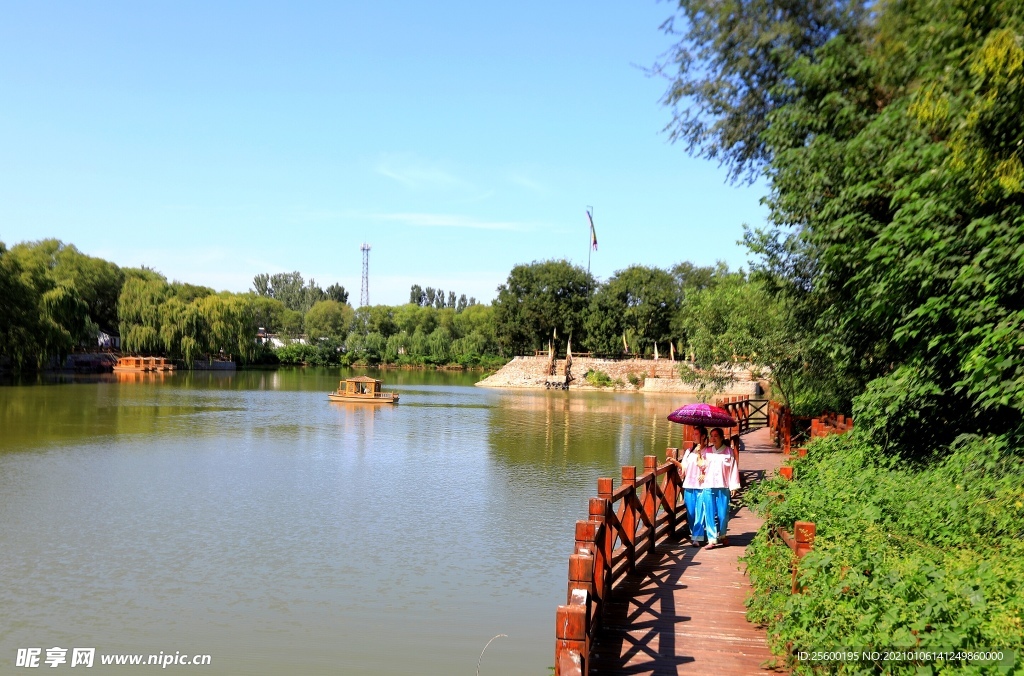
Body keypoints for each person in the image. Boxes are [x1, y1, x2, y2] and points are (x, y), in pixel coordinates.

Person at [698, 427, 741, 548]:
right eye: (711, 436)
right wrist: (701, 470)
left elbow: (733, 469)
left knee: (723, 514)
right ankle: (712, 539)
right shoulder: (706, 451)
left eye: (716, 436)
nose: (713, 438)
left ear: (722, 437)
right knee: (709, 513)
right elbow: (701, 466)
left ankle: (722, 534)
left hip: (723, 486)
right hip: (708, 486)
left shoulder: (728, 452)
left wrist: (733, 486)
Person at [667, 426, 709, 547]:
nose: (693, 436)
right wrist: (674, 462)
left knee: (700, 512)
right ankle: (695, 533)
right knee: (691, 513)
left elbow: (711, 467)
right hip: (689, 485)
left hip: (702, 486)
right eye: (693, 434)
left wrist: (704, 473)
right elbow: (684, 467)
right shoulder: (689, 451)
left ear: (703, 436)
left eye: (696, 434)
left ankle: (697, 538)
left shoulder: (708, 451)